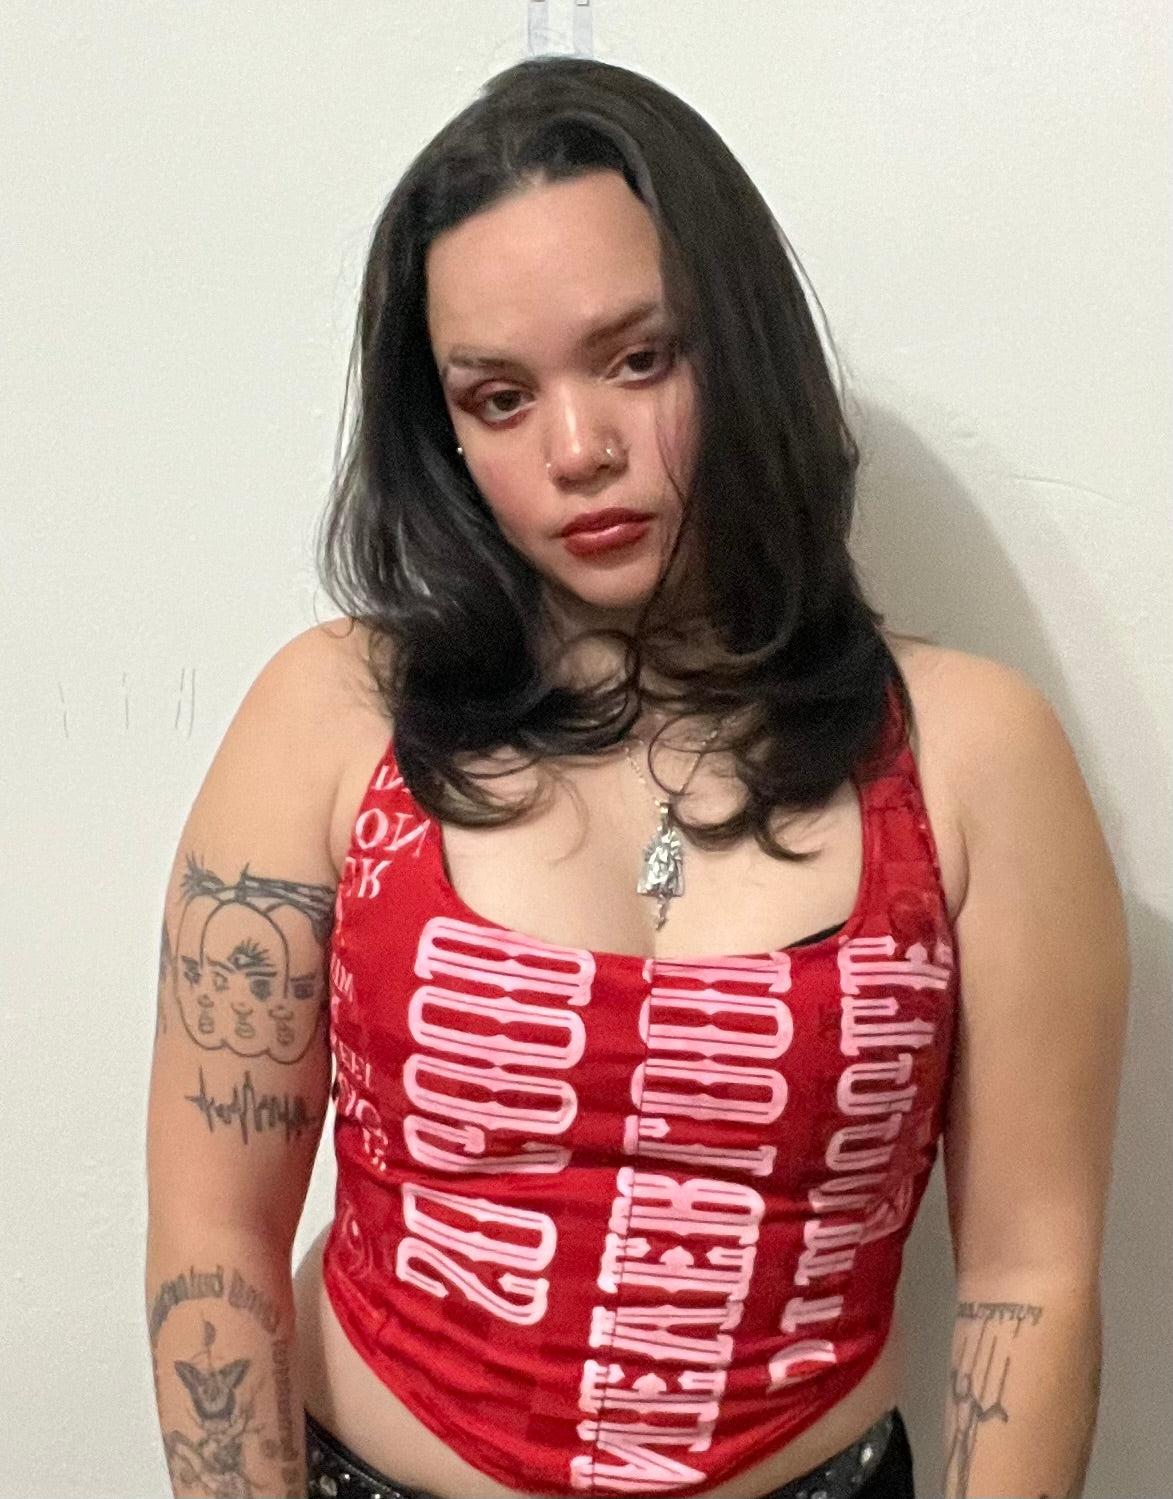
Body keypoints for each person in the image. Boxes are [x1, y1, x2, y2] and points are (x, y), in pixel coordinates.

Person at [144, 55, 1128, 1499]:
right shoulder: (332, 715)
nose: (578, 450)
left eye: (637, 359)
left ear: (740, 344)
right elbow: (212, 1242)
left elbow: (1028, 1278)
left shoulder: (972, 752)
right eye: (498, 397)